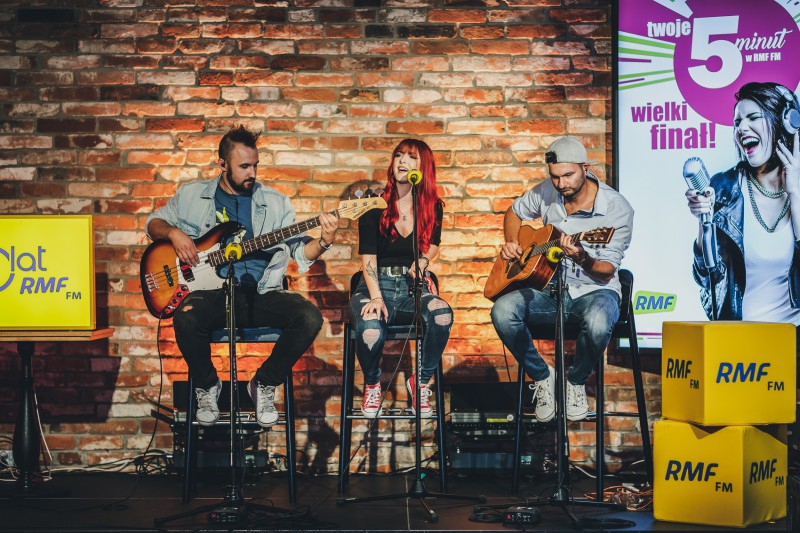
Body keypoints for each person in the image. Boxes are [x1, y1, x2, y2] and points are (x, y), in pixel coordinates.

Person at [145, 125, 339, 427]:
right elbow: (152, 223)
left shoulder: (275, 202)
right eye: (244, 166)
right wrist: (173, 233)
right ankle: (207, 386)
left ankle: (263, 383)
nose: (252, 173)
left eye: (255, 165)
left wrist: (324, 241)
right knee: (185, 317)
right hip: (210, 294)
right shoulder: (193, 195)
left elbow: (300, 251)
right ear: (222, 164)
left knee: (309, 317)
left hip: (261, 292)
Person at [490, 137, 634, 422]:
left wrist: (582, 257)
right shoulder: (547, 191)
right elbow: (514, 212)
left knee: (598, 322)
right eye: (554, 177)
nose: (561, 184)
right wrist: (512, 242)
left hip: (595, 291)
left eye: (568, 175)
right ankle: (543, 376)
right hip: (549, 289)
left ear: (585, 168)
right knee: (502, 311)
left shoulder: (617, 208)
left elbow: (606, 270)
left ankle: (576, 381)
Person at [347, 139, 452, 419]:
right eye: (399, 155)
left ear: (424, 167)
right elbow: (368, 258)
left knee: (442, 315)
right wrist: (376, 298)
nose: (403, 161)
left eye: (411, 157)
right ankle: (372, 383)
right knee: (370, 329)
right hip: (375, 285)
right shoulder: (373, 205)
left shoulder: (432, 206)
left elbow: (434, 244)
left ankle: (421, 381)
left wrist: (424, 260)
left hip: (410, 290)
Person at [686, 82, 800, 322]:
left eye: (753, 118)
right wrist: (703, 223)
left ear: (785, 123)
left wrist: (795, 194)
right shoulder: (724, 188)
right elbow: (707, 278)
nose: (742, 128)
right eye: (737, 122)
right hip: (739, 335)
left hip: (793, 337)